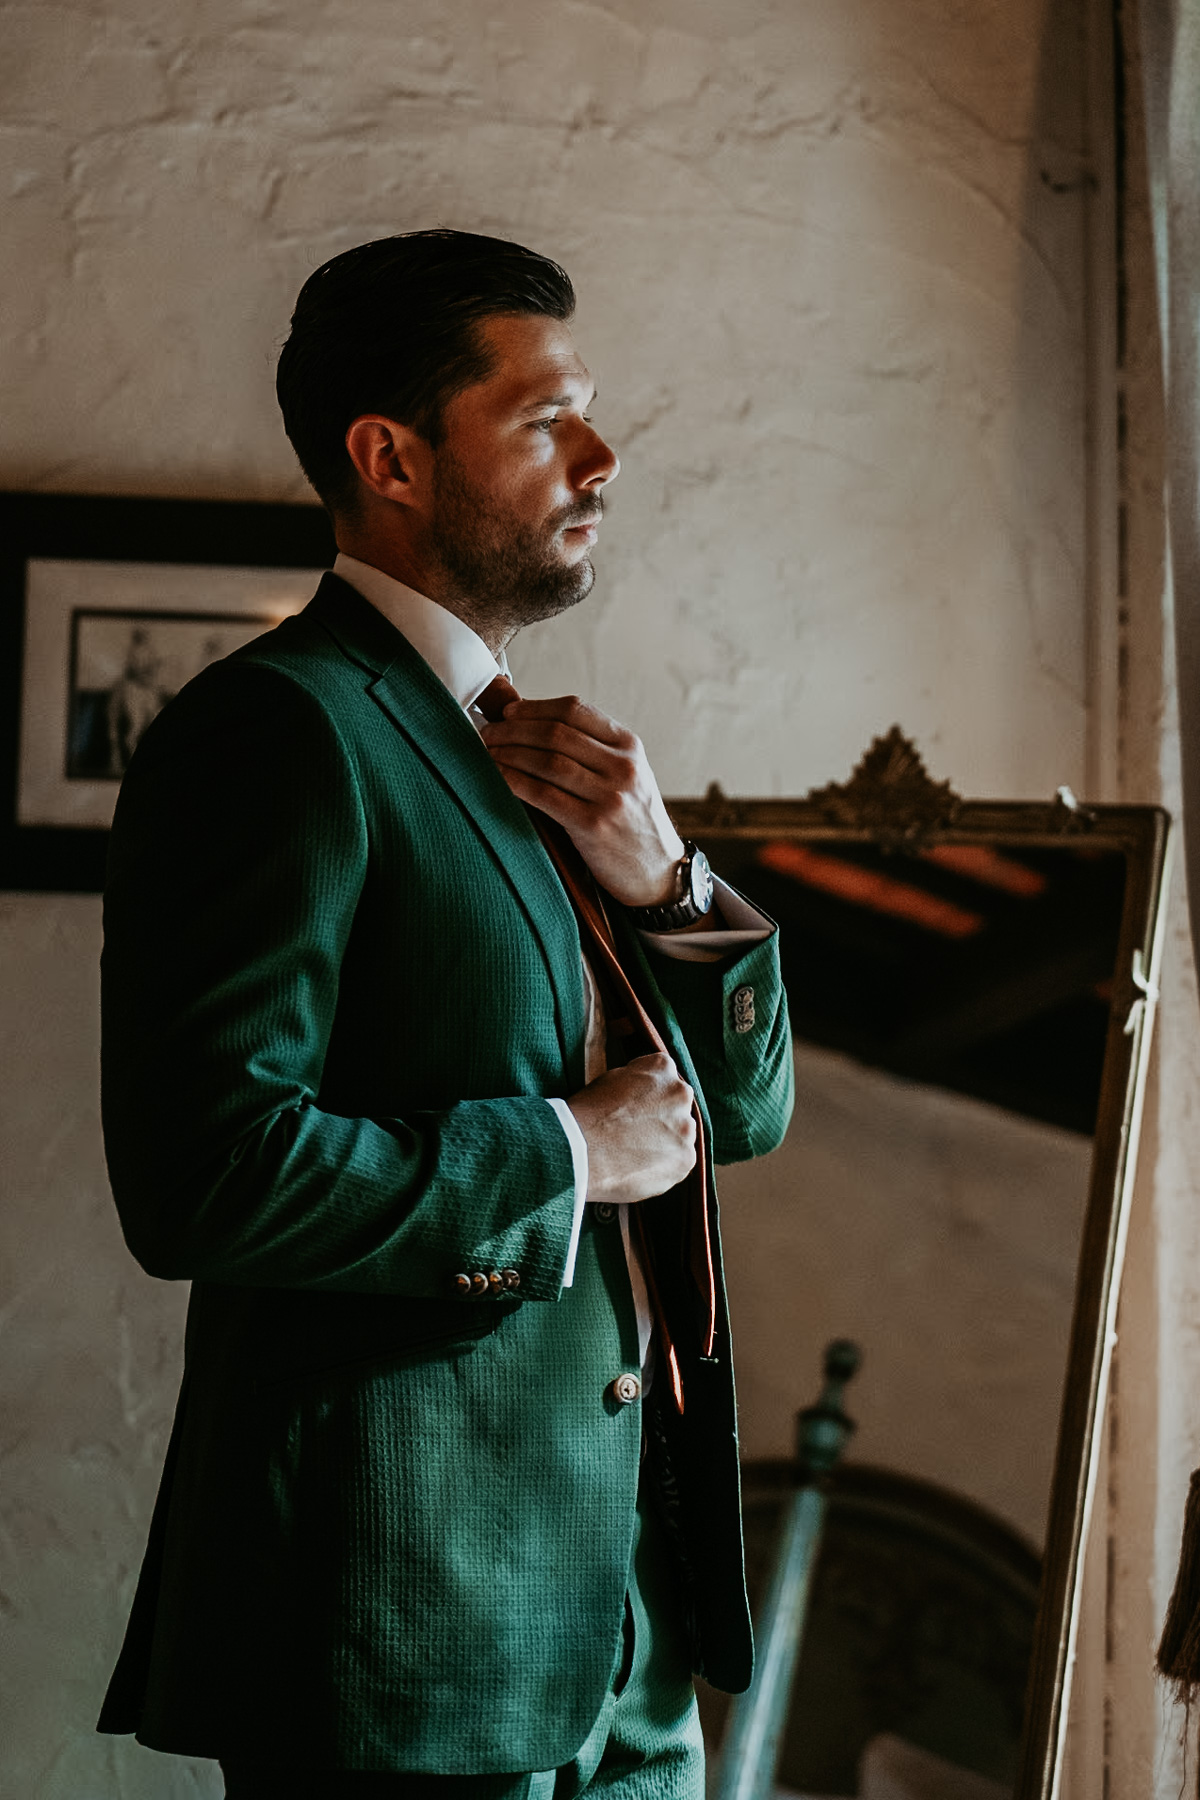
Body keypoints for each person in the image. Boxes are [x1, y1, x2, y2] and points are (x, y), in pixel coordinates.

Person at [97, 229, 794, 1799]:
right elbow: (202, 1173)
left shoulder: (548, 760)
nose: (603, 458)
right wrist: (567, 1154)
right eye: (548, 420)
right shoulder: (274, 735)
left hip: (618, 1632)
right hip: (399, 1638)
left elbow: (741, 1115)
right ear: (390, 456)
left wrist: (667, 876)